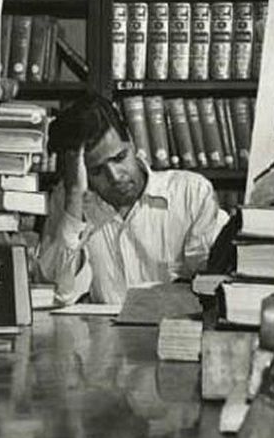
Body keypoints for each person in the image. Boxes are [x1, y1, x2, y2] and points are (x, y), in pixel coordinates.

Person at [38, 94, 230, 305]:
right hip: (102, 337)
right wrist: (74, 196)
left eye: (119, 158)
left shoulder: (191, 194)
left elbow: (213, 285)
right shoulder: (70, 201)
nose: (115, 176)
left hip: (174, 335)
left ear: (131, 139)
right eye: (97, 171)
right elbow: (59, 295)